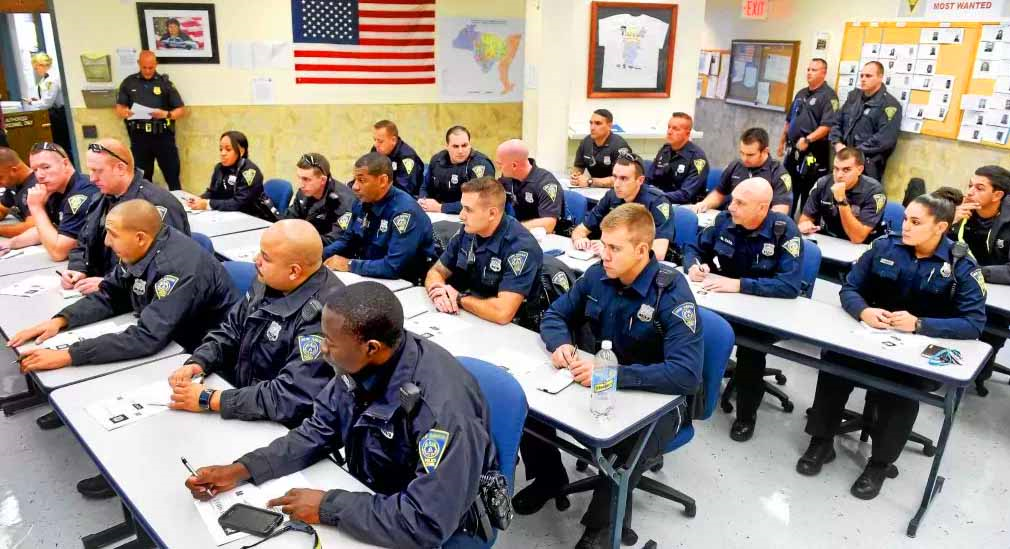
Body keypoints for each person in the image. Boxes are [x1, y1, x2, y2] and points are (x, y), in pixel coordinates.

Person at [184, 282, 500, 548]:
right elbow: (318, 431)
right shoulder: (355, 363)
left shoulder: (443, 412)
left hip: (433, 519)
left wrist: (328, 506)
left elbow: (426, 521)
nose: (322, 349)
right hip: (373, 495)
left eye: (331, 343)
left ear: (372, 347)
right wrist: (243, 469)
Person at [9, 199, 238, 496]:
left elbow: (147, 338)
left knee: (118, 389)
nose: (106, 241)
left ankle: (133, 477)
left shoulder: (179, 267)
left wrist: (68, 355)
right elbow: (111, 296)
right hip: (170, 343)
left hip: (205, 358)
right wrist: (61, 320)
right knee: (99, 374)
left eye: (112, 234)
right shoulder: (138, 247)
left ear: (140, 236)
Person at [518, 203, 703, 548]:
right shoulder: (598, 275)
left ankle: (601, 531)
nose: (604, 254)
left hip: (663, 400)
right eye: (603, 244)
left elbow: (686, 375)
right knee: (526, 403)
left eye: (614, 248)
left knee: (624, 444)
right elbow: (556, 315)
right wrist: (560, 344)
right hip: (601, 379)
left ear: (642, 250)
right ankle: (548, 477)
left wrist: (612, 376)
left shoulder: (671, 292)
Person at [798, 194, 986, 500]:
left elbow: (973, 323)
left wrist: (921, 324)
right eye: (905, 219)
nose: (905, 227)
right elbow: (850, 288)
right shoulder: (885, 246)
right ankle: (821, 442)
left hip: (917, 352)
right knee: (834, 362)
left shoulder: (961, 265)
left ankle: (879, 464)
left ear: (940, 227)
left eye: (915, 222)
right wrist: (863, 311)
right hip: (871, 338)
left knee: (902, 387)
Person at [167, 220, 343, 427]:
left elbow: (290, 396)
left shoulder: (326, 317)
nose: (256, 260)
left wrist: (213, 399)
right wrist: (200, 361)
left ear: (294, 271)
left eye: (265, 258)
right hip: (246, 401)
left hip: (284, 424)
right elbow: (231, 329)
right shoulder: (268, 280)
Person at [684, 178, 804, 442]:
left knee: (752, 351)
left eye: (740, 203)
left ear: (762, 208)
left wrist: (739, 285)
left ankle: (746, 417)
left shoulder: (785, 231)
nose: (732, 207)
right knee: (687, 326)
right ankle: (687, 397)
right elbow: (694, 248)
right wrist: (694, 265)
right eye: (733, 199)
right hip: (723, 302)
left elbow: (789, 285)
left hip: (764, 314)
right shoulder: (725, 221)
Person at [64, 139, 190, 295]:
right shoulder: (100, 199)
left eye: (98, 171)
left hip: (138, 296)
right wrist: (77, 269)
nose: (92, 178)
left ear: (120, 168)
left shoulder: (156, 204)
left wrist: (109, 283)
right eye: (90, 170)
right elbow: (83, 242)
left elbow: (168, 266)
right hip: (99, 288)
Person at [424, 176, 544, 329]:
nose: (461, 215)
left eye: (468, 209)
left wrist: (459, 299)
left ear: (492, 214)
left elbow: (503, 313)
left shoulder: (520, 248)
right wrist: (439, 292)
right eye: (462, 207)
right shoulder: (468, 232)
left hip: (511, 330)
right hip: (472, 316)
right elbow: (436, 271)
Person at [322, 152, 435, 281]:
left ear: (382, 181)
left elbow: (393, 267)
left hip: (406, 282)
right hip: (370, 274)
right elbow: (347, 241)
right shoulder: (361, 203)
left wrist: (349, 264)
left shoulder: (404, 213)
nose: (354, 187)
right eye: (354, 180)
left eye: (362, 180)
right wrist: (317, 256)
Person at [947, 165, 1010, 396]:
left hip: (997, 289)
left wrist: (976, 273)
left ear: (998, 195)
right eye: (970, 185)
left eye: (979, 188)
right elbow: (933, 245)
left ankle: (979, 367)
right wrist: (950, 221)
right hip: (959, 281)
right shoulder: (963, 212)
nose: (970, 192)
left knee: (989, 323)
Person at [0, 142, 99, 259]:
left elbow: (59, 253)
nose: (39, 175)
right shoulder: (55, 190)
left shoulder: (81, 194)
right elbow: (43, 230)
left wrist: (37, 208)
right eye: (35, 170)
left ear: (65, 164)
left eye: (46, 167)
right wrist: (9, 243)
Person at [571, 153, 675, 260]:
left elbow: (658, 253)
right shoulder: (611, 196)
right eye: (615, 177)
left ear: (640, 180)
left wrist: (610, 249)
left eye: (624, 178)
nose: (616, 184)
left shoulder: (658, 202)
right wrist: (579, 239)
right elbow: (580, 230)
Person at [115, 50, 187, 191]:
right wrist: (127, 113)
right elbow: (119, 108)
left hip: (163, 136)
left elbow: (180, 110)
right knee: (142, 178)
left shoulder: (165, 83)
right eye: (144, 67)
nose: (148, 71)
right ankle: (145, 208)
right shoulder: (129, 83)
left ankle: (178, 206)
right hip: (140, 137)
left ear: (156, 65)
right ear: (138, 64)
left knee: (172, 175)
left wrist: (166, 114)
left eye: (151, 67)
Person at [779, 58, 839, 214]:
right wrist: (782, 141)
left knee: (808, 195)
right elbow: (789, 119)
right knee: (788, 190)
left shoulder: (829, 96)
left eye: (814, 70)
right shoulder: (801, 93)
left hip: (814, 153)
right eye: (808, 69)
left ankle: (805, 227)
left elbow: (827, 126)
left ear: (824, 73)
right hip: (793, 152)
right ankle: (786, 222)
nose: (809, 73)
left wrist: (808, 139)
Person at [691, 128, 793, 215]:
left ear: (765, 151)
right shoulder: (736, 165)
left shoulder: (778, 173)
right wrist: (704, 204)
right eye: (742, 153)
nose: (744, 158)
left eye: (750, 155)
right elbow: (719, 193)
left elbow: (780, 211)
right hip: (732, 217)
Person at [829, 61, 901, 181]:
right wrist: (837, 143)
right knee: (837, 195)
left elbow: (885, 139)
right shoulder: (854, 97)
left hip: (867, 165)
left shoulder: (890, 105)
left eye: (868, 76)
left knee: (860, 198)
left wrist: (853, 153)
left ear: (880, 77)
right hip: (842, 161)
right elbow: (837, 121)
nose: (863, 79)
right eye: (862, 75)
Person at [185, 131, 279, 221]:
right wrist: (200, 199)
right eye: (221, 149)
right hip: (230, 216)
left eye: (228, 149)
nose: (223, 153)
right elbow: (213, 192)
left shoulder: (250, 172)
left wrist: (207, 204)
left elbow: (239, 203)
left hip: (255, 217)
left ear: (241, 151)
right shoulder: (219, 168)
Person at [798, 147, 885, 244]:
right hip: (828, 240)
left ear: (860, 170)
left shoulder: (874, 192)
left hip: (860, 247)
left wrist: (841, 201)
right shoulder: (823, 183)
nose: (839, 175)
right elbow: (805, 219)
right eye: (836, 169)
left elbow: (857, 238)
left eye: (846, 170)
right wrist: (804, 225)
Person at [418, 125, 495, 214]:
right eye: (455, 146)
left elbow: (480, 200)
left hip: (469, 216)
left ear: (470, 144)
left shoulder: (480, 165)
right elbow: (425, 187)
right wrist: (422, 201)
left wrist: (441, 207)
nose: (460, 151)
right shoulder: (437, 160)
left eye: (464, 145)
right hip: (438, 215)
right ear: (447, 146)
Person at [284, 153, 356, 245]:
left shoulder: (344, 202)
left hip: (328, 251)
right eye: (299, 178)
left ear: (323, 180)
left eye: (306, 179)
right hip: (307, 242)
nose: (301, 185)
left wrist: (301, 240)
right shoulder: (304, 191)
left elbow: (336, 240)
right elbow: (289, 219)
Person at [495, 139, 566, 234]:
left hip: (549, 236)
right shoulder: (508, 177)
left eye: (500, 164)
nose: (498, 168)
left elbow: (549, 224)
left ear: (514, 166)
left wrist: (511, 227)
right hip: (523, 233)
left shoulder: (546, 183)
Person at [646, 112, 709, 205]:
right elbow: (648, 179)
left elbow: (686, 194)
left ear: (687, 134)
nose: (669, 132)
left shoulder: (698, 159)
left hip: (686, 206)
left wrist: (657, 196)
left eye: (675, 129)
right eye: (669, 127)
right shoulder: (665, 150)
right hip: (659, 200)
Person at [25, 53, 72, 159]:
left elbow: (47, 103)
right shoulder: (46, 78)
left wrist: (33, 103)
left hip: (58, 114)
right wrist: (38, 101)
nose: (36, 71)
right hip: (55, 112)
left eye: (36, 68)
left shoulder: (51, 79)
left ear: (42, 65)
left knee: (61, 144)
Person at [570, 109, 631, 189]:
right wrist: (575, 176)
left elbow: (620, 179)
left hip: (616, 191)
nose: (592, 127)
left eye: (598, 123)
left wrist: (590, 181)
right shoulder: (586, 142)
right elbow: (578, 167)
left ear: (609, 126)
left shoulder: (620, 146)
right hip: (593, 189)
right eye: (591, 123)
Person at [371, 119, 424, 196]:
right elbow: (368, 172)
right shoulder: (376, 149)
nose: (376, 144)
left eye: (380, 141)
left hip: (407, 199)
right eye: (374, 140)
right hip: (384, 193)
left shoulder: (407, 157)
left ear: (393, 140)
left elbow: (404, 190)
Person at [0, 147, 39, 238]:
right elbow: (2, 208)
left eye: (0, 178)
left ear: (13, 170)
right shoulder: (13, 183)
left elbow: (31, 227)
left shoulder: (36, 186)